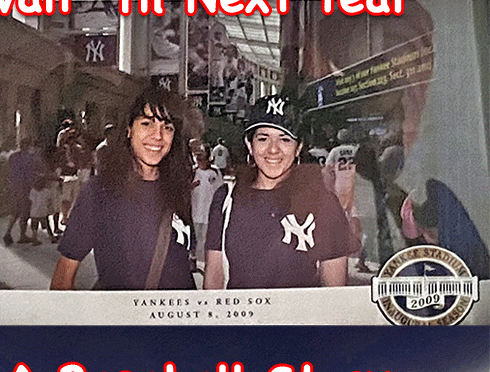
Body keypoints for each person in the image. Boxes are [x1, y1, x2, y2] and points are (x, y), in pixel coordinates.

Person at [50, 81, 202, 291]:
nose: (157, 136)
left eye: (167, 127)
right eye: (147, 124)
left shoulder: (177, 189)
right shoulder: (100, 192)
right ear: (129, 130)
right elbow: (63, 279)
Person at [204, 95, 357, 290]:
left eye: (285, 139)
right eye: (263, 138)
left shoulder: (323, 203)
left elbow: (334, 292)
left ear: (298, 147)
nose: (273, 149)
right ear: (249, 145)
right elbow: (214, 277)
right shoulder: (226, 198)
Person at [191, 146, 224, 271]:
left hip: (208, 214)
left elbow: (221, 192)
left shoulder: (214, 172)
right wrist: (191, 187)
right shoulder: (193, 172)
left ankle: (205, 264)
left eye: (202, 154)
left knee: (206, 239)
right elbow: (183, 191)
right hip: (195, 212)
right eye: (197, 155)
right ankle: (193, 260)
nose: (200, 157)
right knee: (195, 238)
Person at [3, 138, 39, 246]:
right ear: (29, 146)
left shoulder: (13, 157)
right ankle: (22, 235)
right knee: (25, 211)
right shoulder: (30, 158)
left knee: (15, 211)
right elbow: (31, 173)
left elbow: (8, 170)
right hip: (25, 187)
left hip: (14, 186)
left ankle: (8, 232)